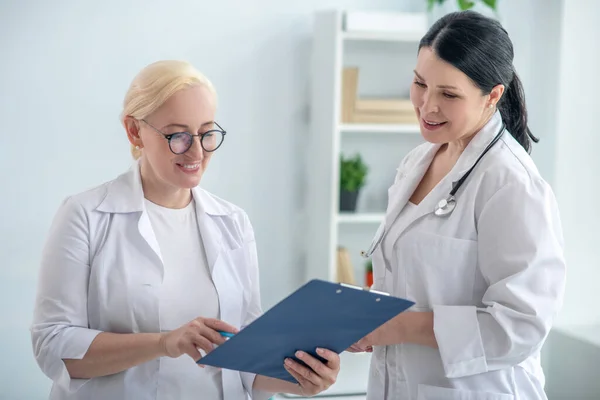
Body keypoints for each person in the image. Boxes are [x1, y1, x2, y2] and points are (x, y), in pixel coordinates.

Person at [30, 60, 340, 400]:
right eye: (178, 135)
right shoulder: (86, 215)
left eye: (207, 133)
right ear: (134, 131)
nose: (196, 152)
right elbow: (53, 344)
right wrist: (164, 342)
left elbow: (243, 359)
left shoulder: (233, 222)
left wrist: (300, 379)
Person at [349, 10, 566, 400]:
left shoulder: (511, 184)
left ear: (493, 96)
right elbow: (416, 280)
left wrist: (398, 327)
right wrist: (362, 318)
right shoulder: (418, 161)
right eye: (419, 84)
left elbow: (522, 327)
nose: (427, 106)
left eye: (449, 95)